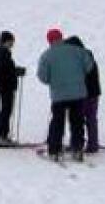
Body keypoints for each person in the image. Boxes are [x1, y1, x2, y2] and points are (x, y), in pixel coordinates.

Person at [37, 28, 95, 161]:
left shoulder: (46, 55)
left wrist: (53, 80)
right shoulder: (77, 51)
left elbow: (43, 76)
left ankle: (54, 150)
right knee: (77, 122)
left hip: (59, 95)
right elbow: (89, 66)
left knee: (57, 122)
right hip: (78, 93)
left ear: (49, 40)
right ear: (62, 37)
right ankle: (77, 149)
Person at [64, 36, 101, 153]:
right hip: (94, 93)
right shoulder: (89, 56)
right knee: (91, 119)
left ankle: (76, 144)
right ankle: (93, 144)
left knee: (77, 119)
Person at [0, 31, 25, 145]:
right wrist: (17, 72)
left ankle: (2, 134)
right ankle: (0, 135)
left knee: (6, 109)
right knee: (6, 110)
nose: (13, 44)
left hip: (1, 85)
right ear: (7, 41)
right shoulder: (3, 53)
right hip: (5, 86)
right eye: (12, 41)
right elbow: (6, 70)